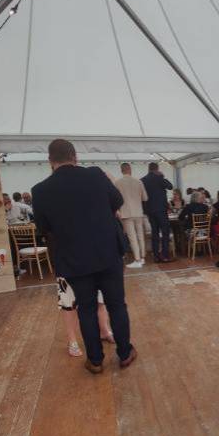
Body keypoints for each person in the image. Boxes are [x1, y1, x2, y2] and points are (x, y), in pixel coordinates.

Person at [32, 139, 137, 373]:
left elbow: (43, 227)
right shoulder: (96, 175)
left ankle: (95, 360)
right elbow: (117, 202)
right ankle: (124, 353)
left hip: (74, 259)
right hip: (108, 253)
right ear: (75, 157)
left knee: (87, 310)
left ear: (50, 161)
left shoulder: (40, 190)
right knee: (117, 305)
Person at [115, 162, 148, 269]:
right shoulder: (139, 182)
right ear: (130, 169)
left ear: (121, 170)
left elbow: (116, 199)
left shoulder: (117, 183)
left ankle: (137, 260)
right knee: (140, 236)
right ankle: (143, 258)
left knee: (132, 238)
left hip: (126, 213)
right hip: (138, 212)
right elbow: (145, 198)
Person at [141, 162, 173, 263]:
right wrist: (162, 176)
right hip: (161, 210)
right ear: (157, 169)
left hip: (150, 211)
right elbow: (170, 186)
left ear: (148, 168)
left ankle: (156, 256)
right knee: (165, 232)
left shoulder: (143, 180)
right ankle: (165, 255)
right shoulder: (159, 178)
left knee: (154, 233)